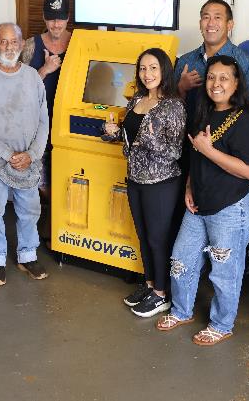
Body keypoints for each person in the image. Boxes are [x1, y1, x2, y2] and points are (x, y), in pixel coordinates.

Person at [155, 55, 249, 345]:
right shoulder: (203, 111)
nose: (217, 84)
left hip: (232, 207)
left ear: (237, 82)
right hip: (199, 204)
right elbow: (194, 157)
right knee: (180, 260)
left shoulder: (247, 120)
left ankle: (221, 324)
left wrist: (209, 150)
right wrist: (190, 186)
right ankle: (182, 311)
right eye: (212, 77)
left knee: (224, 272)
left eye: (224, 78)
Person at [102, 48, 185, 318]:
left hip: (161, 182)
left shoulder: (174, 105)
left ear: (164, 71)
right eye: (142, 69)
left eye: (153, 68)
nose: (147, 74)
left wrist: (151, 141)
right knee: (143, 236)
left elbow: (176, 153)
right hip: (135, 178)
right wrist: (113, 134)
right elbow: (131, 138)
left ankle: (162, 294)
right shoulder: (136, 99)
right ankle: (150, 284)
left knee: (157, 239)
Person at [0, 23, 50, 286]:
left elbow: (43, 121)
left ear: (20, 43)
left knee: (29, 210)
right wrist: (7, 153)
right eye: (3, 42)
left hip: (28, 161)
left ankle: (27, 255)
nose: (8, 47)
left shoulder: (32, 77)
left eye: (13, 41)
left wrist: (32, 153)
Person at [21, 0, 72, 206]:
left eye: (60, 18)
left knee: (69, 175)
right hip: (38, 124)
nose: (56, 24)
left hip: (70, 124)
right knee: (40, 178)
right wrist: (44, 69)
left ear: (68, 18)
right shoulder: (30, 46)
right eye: (51, 18)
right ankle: (52, 218)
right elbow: (21, 90)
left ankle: (60, 224)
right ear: (44, 17)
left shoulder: (80, 42)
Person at [173, 0, 249, 114]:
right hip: (189, 131)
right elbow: (171, 110)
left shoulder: (247, 63)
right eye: (206, 17)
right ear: (200, 24)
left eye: (217, 17)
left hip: (228, 131)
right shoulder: (185, 61)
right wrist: (181, 88)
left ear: (230, 25)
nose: (211, 23)